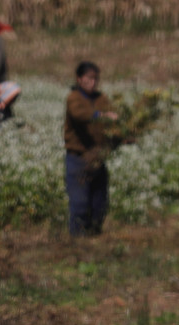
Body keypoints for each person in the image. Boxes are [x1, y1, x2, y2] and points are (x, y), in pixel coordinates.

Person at [63, 61, 118, 236]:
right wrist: (101, 116)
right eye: (89, 78)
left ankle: (94, 238)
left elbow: (113, 121)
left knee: (99, 204)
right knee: (80, 204)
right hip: (78, 158)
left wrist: (123, 135)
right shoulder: (74, 98)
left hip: (97, 158)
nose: (93, 82)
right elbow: (79, 115)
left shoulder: (102, 99)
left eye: (95, 79)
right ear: (79, 79)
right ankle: (78, 243)